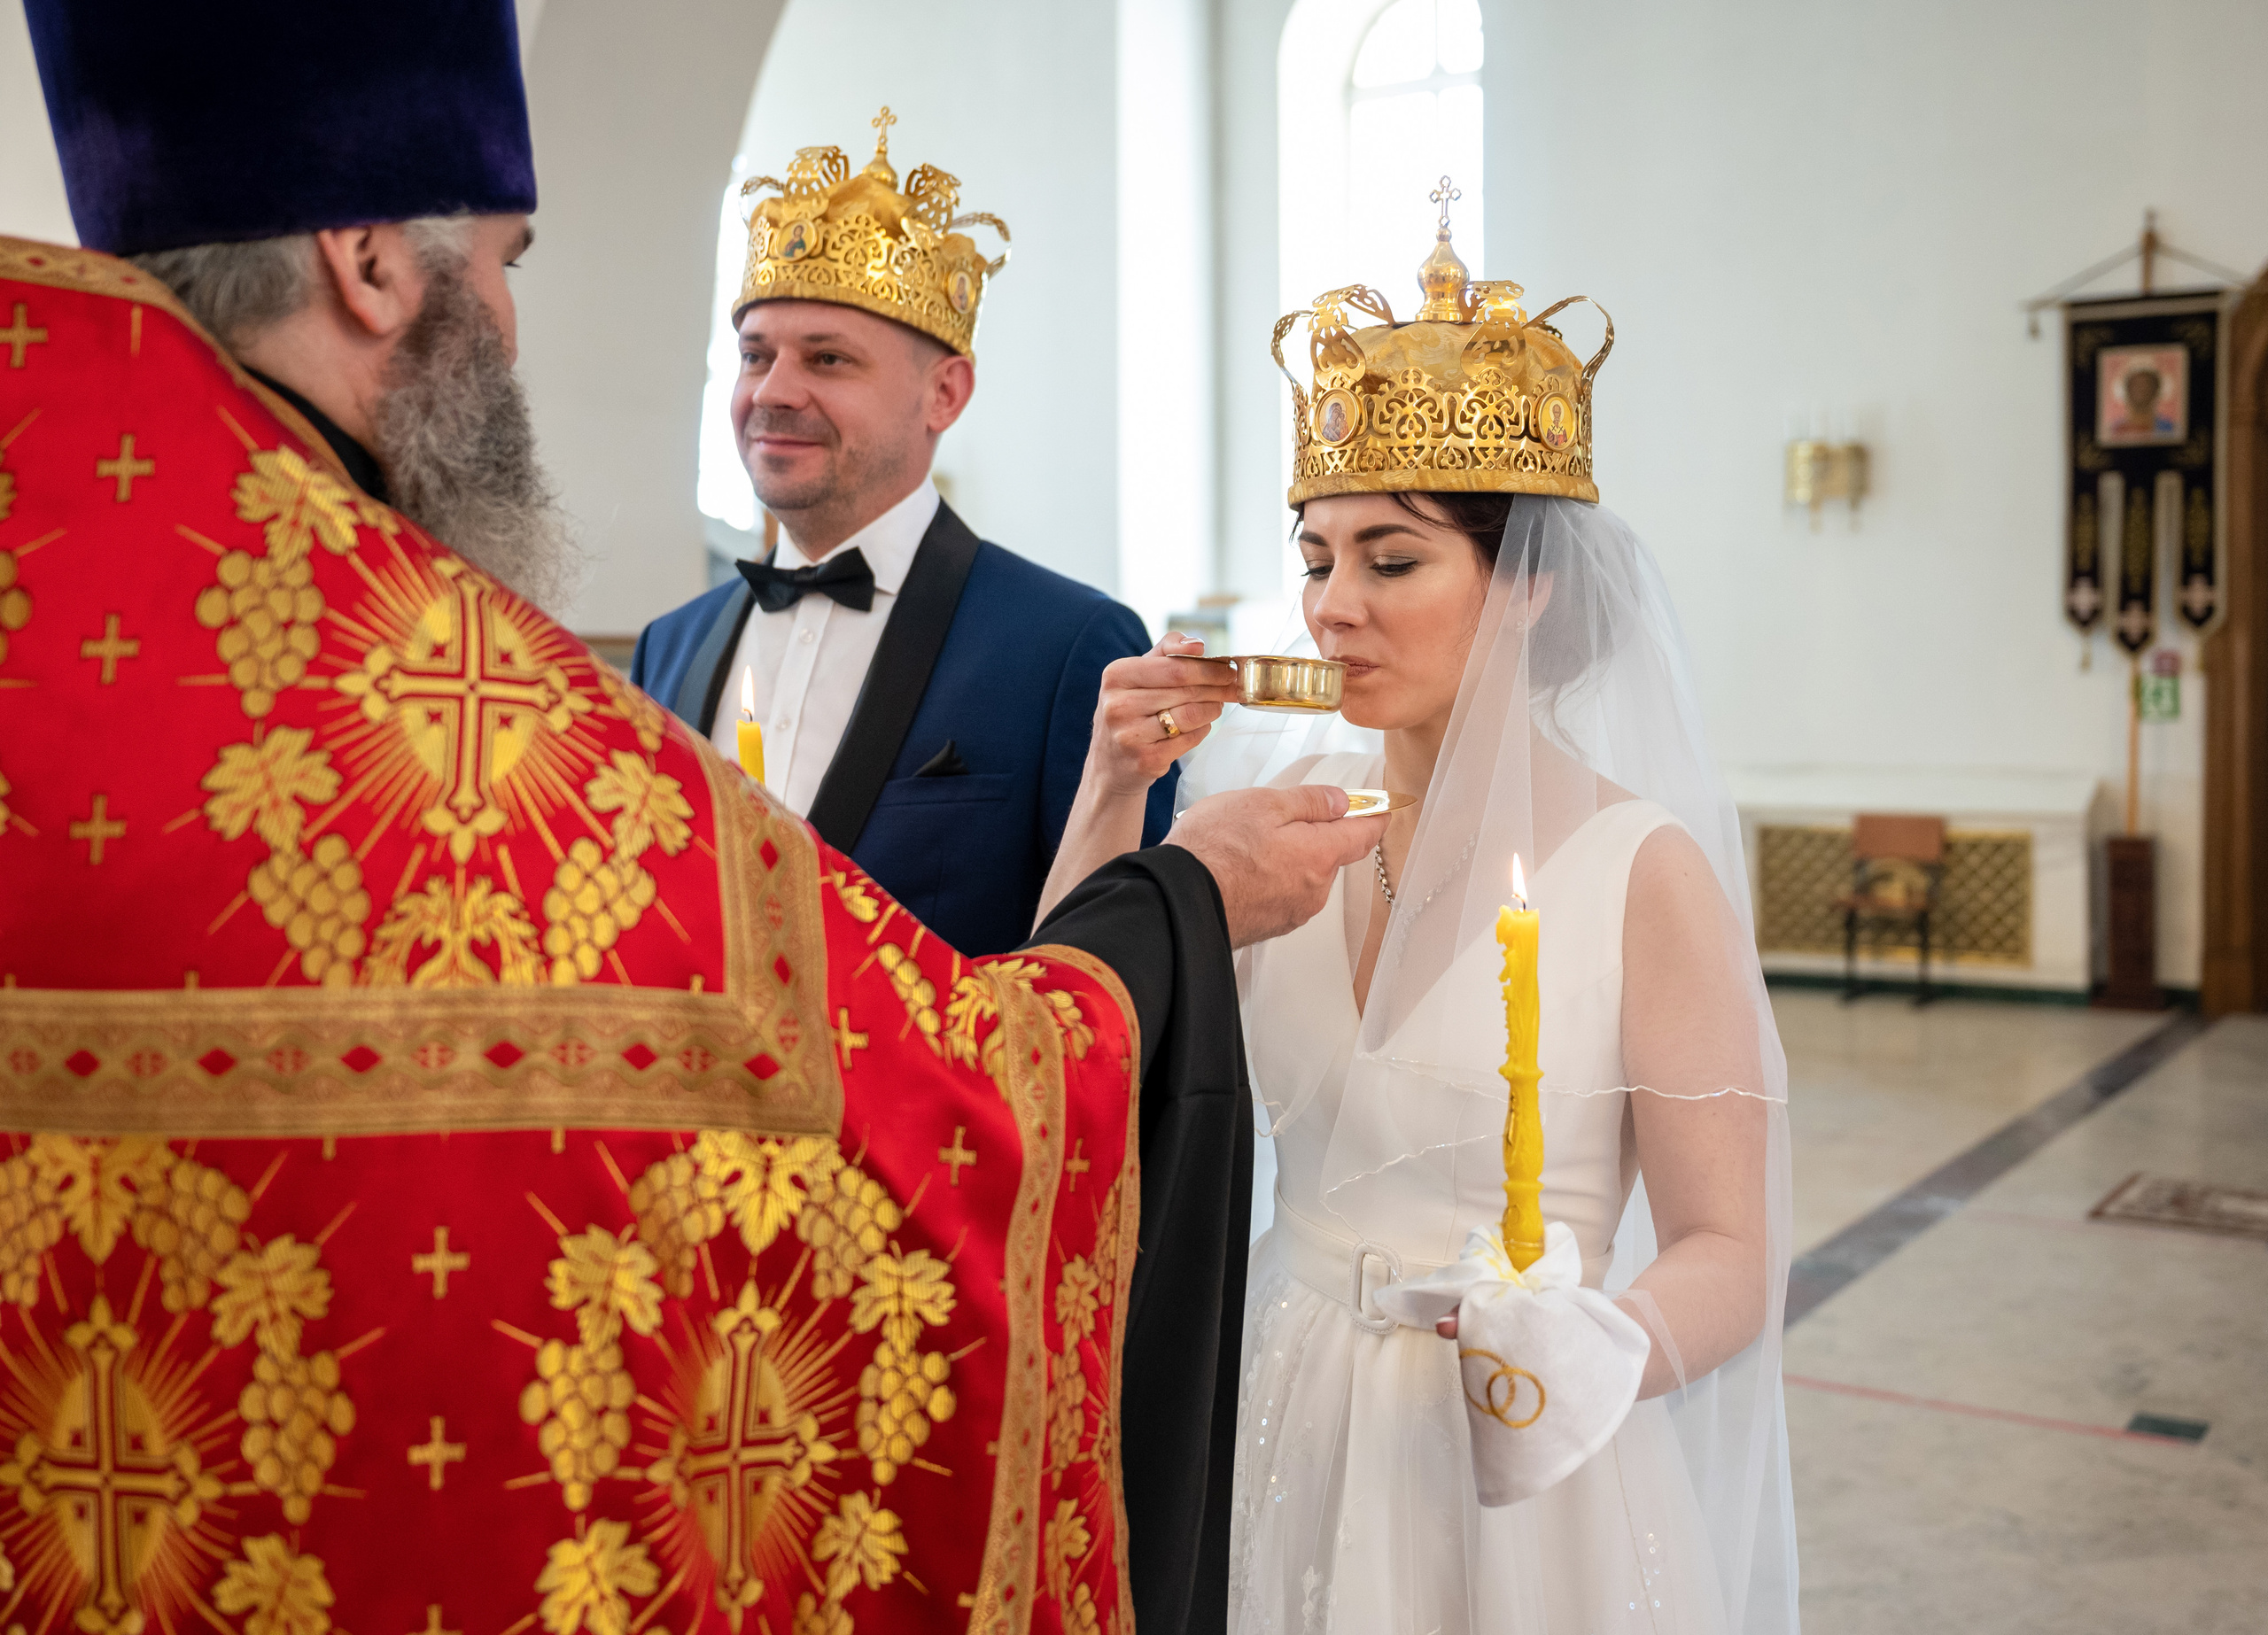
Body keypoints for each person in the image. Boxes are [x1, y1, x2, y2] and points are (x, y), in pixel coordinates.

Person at [1, 4, 1383, 1631]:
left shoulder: (94, 600)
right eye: (503, 260)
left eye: (827, 357)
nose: (510, 324)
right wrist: (1182, 906)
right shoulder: (516, 691)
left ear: (946, 393)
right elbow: (884, 1061)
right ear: (371, 262)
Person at [1050, 207, 1800, 1632]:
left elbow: (1730, 1250)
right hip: (1275, 1397)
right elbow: (1074, 1047)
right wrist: (1111, 792)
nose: (1334, 608)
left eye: (1391, 562)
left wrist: (1595, 1349)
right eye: (1317, 556)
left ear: (1523, 584)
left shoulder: (1642, 872)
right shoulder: (1285, 813)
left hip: (1513, 1454)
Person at [632, 113, 1174, 957]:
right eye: (753, 355)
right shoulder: (667, 648)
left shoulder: (1068, 647)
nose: (773, 391)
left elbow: (1114, 967)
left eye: (827, 359)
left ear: (945, 395)